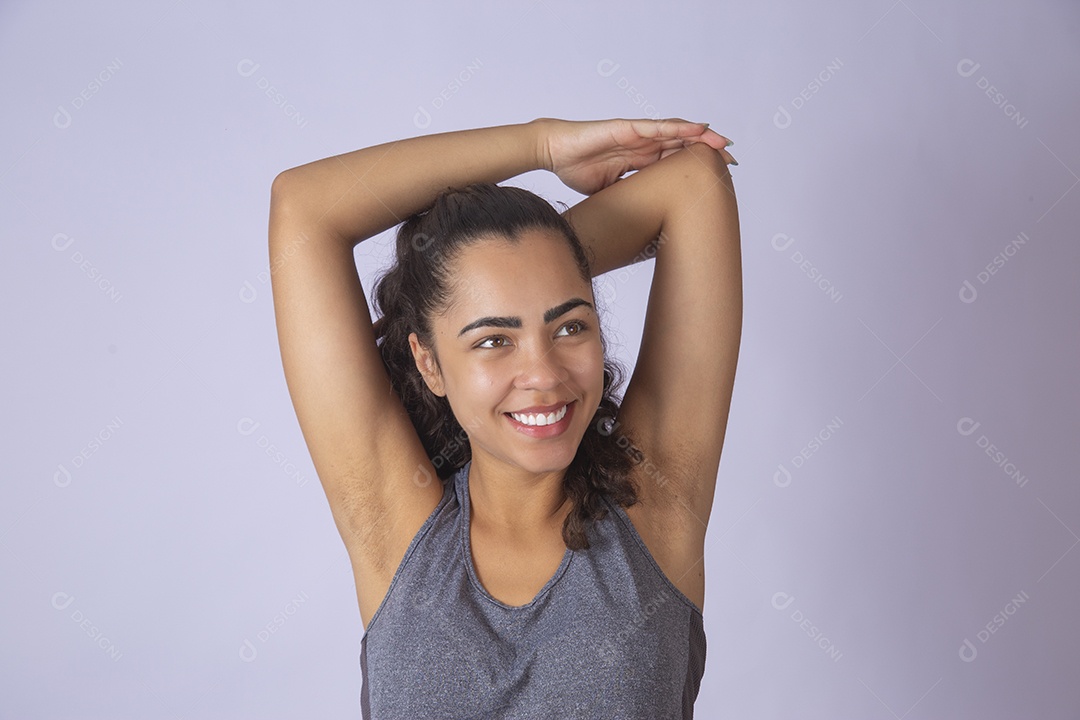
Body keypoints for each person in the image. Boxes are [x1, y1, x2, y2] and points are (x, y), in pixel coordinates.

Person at [268, 117, 742, 718]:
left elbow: (694, 185)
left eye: (570, 325)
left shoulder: (657, 505)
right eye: (494, 339)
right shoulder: (396, 530)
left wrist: (513, 267)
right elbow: (303, 207)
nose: (544, 376)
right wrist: (540, 145)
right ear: (430, 363)